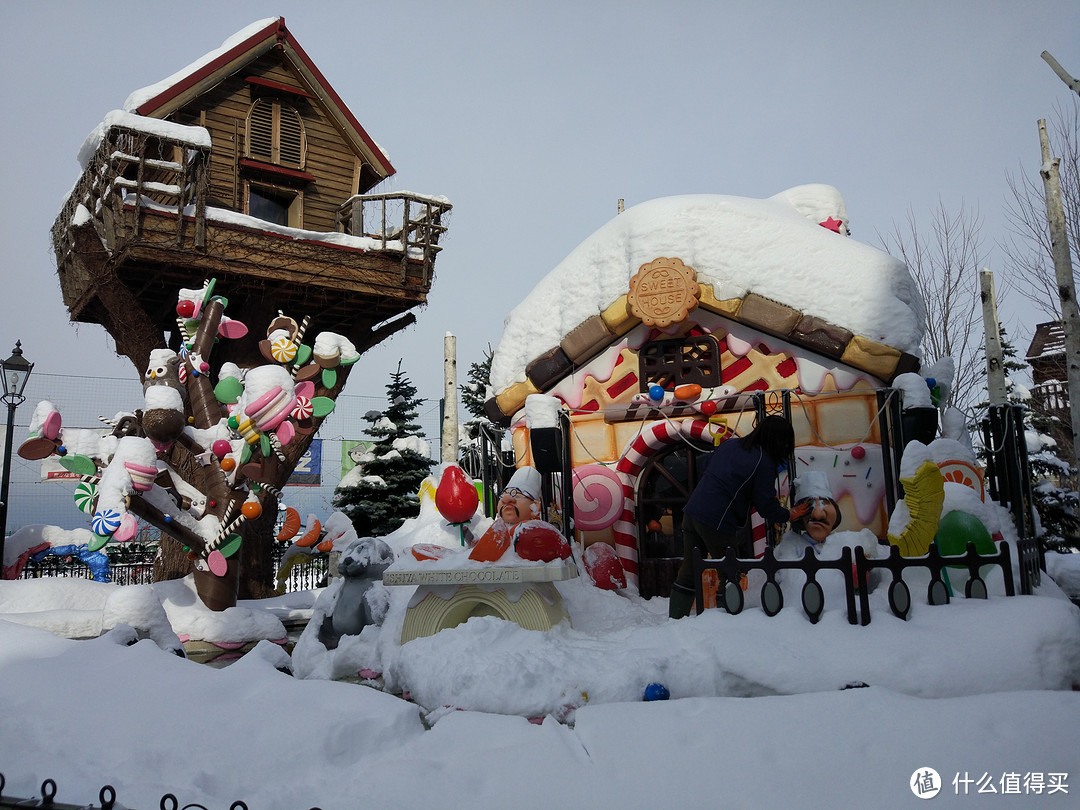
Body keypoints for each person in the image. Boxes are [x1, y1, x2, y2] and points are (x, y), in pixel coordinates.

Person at [669, 414, 809, 619]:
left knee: (689, 570)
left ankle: (675, 620)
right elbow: (766, 505)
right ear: (780, 441)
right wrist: (788, 514)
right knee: (730, 572)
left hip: (692, 511)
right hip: (717, 520)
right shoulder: (764, 461)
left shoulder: (730, 445)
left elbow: (707, 466)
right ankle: (728, 620)